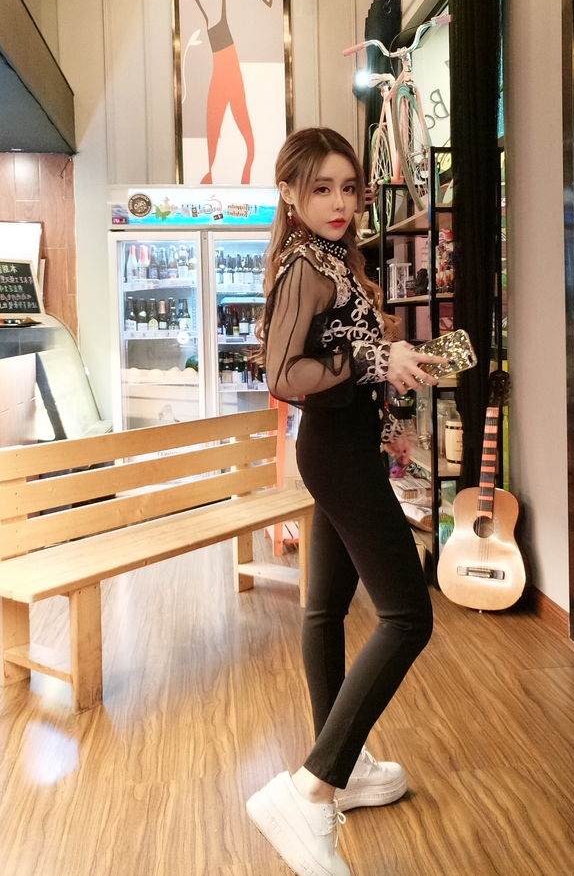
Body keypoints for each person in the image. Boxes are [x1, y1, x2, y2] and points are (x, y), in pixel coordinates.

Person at [246, 128, 447, 876]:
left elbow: (349, 369)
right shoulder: (305, 265)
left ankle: (341, 760)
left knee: (325, 609)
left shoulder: (337, 259)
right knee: (407, 616)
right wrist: (374, 357)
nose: (339, 202)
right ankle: (314, 787)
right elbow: (283, 374)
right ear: (290, 195)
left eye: (349, 188)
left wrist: (389, 406)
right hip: (334, 455)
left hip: (349, 447)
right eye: (321, 188)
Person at [189, 0, 275, 185]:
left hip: (228, 65)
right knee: (219, 126)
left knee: (240, 127)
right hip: (223, 67)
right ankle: (220, 176)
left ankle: (243, 176)